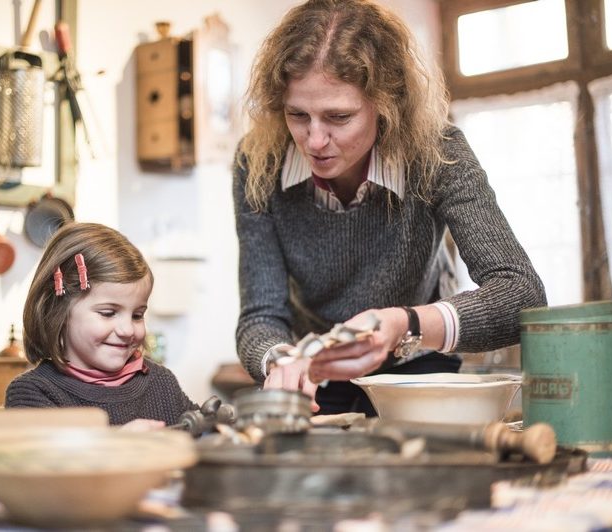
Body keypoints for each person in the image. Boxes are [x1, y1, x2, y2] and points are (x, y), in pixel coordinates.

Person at [233, 0, 547, 416]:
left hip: (419, 361)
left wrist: (404, 324)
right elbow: (260, 314)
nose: (313, 140)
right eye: (298, 115)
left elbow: (522, 295)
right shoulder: (258, 164)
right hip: (315, 373)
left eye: (338, 117)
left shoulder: (438, 153)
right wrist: (280, 361)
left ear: (386, 103)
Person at [6, 222, 198, 428]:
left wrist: (214, 428)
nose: (127, 330)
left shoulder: (162, 383)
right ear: (59, 313)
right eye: (108, 313)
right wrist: (118, 446)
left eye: (137, 315)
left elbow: (203, 439)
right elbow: (47, 458)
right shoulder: (33, 392)